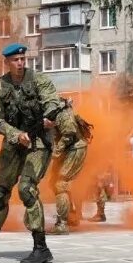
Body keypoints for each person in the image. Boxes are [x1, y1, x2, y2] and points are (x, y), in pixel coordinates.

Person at [0, 43, 62, 263]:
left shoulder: (39, 80)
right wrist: (15, 134)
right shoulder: (1, 86)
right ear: (7, 62)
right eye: (15, 60)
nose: (20, 63)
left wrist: (49, 118)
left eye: (22, 59)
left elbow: (52, 102)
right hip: (14, 143)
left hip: (38, 143)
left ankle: (41, 247)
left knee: (27, 189)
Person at [46, 98, 93, 234]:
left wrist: (57, 151)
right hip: (69, 149)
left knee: (61, 183)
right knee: (54, 182)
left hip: (75, 149)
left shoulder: (63, 113)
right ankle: (71, 215)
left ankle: (62, 224)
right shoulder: (58, 112)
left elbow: (69, 134)